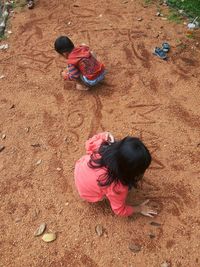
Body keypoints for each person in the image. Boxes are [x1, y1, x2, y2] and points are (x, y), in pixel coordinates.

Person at [74, 132, 157, 217]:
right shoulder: (117, 187)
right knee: (106, 192)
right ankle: (100, 194)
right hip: (87, 193)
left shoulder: (103, 147)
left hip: (80, 169)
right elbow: (119, 210)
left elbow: (89, 143)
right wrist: (140, 208)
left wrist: (105, 135)